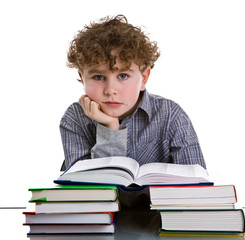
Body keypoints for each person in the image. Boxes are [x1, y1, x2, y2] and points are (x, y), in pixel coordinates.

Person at [60, 15, 206, 170]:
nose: (110, 90)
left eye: (123, 76)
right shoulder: (75, 118)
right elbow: (87, 188)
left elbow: (197, 182)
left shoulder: (171, 115)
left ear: (143, 79)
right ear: (83, 78)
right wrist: (110, 127)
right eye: (98, 77)